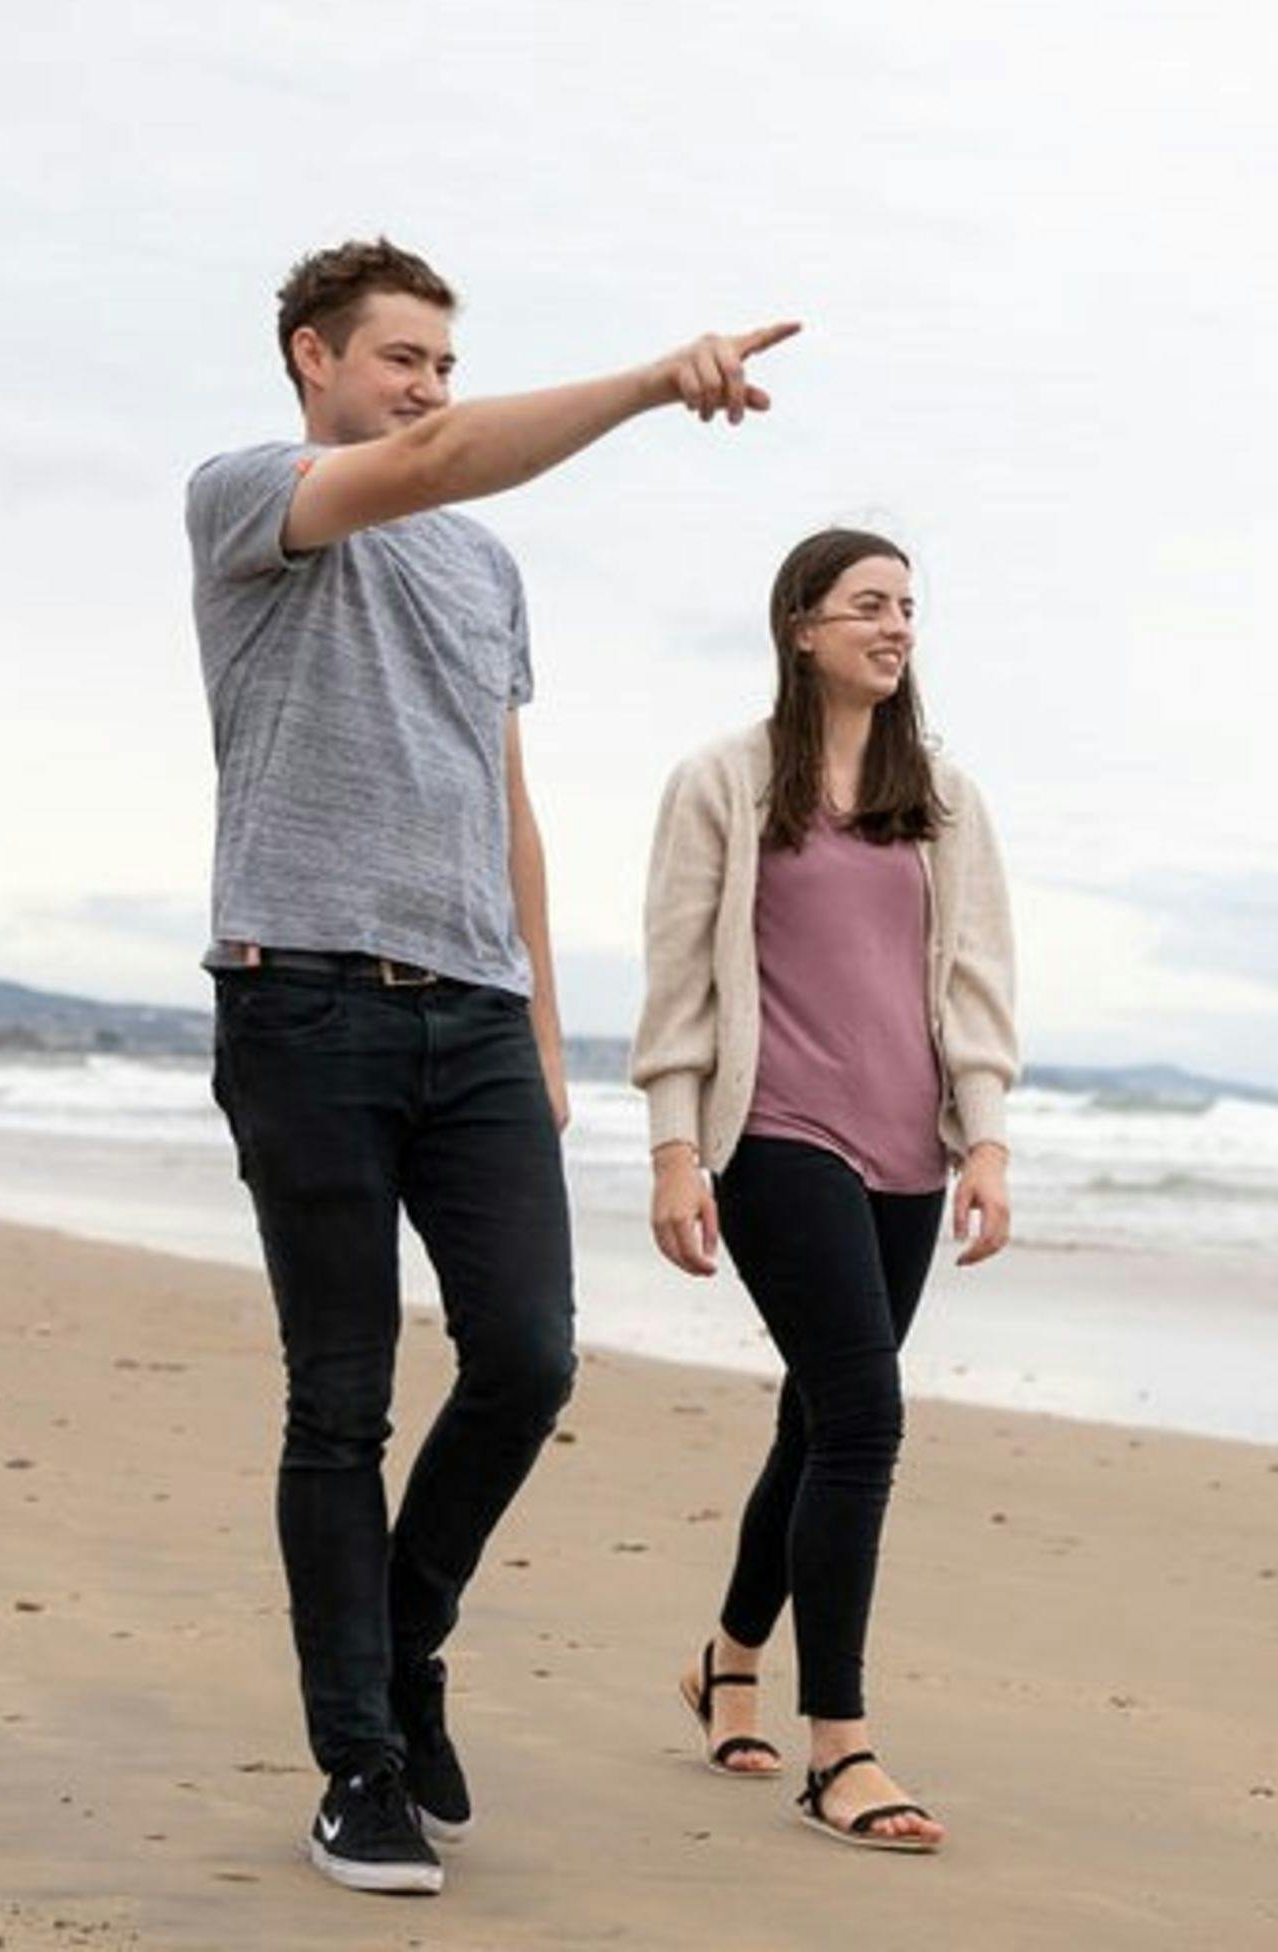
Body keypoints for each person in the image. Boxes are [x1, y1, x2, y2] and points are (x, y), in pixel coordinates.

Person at [186, 235, 796, 1897]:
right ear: (314, 358)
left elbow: (500, 793)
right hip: (303, 1006)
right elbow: (433, 464)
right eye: (400, 360)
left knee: (529, 1357)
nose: (428, 392)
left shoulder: (481, 572)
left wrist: (537, 1024)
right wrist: (664, 381)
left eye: (444, 364)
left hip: (472, 1015)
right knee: (344, 1397)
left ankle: (407, 1639)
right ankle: (360, 1763)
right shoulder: (248, 497)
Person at [631, 526, 1019, 1855]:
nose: (895, 626)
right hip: (776, 1134)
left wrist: (988, 1136)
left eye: (910, 605)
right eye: (869, 604)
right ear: (801, 625)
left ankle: (725, 1660)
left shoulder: (944, 796)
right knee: (865, 1416)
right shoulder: (725, 782)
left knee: (817, 1420)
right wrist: (676, 1149)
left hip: (908, 1144)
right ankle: (838, 1750)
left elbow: (974, 980)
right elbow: (680, 974)